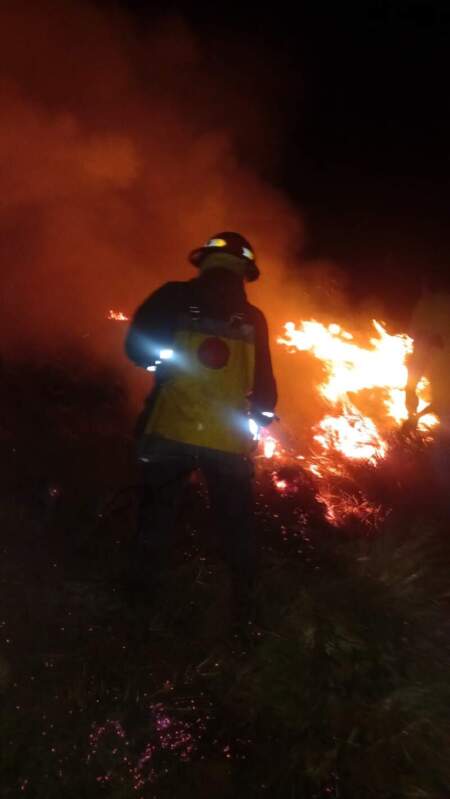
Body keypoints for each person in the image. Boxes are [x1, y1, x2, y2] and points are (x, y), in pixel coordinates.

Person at [125, 232, 277, 617]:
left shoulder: (173, 296)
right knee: (236, 527)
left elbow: (135, 349)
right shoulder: (253, 318)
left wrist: (160, 365)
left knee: (156, 520)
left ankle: (137, 611)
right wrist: (258, 419)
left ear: (205, 261)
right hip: (226, 439)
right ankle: (247, 612)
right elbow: (264, 387)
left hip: (171, 428)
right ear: (245, 271)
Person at [405, 275, 450, 508]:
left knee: (443, 452)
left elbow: (421, 352)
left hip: (445, 392)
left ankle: (443, 513)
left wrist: (410, 389)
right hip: (443, 392)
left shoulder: (430, 307)